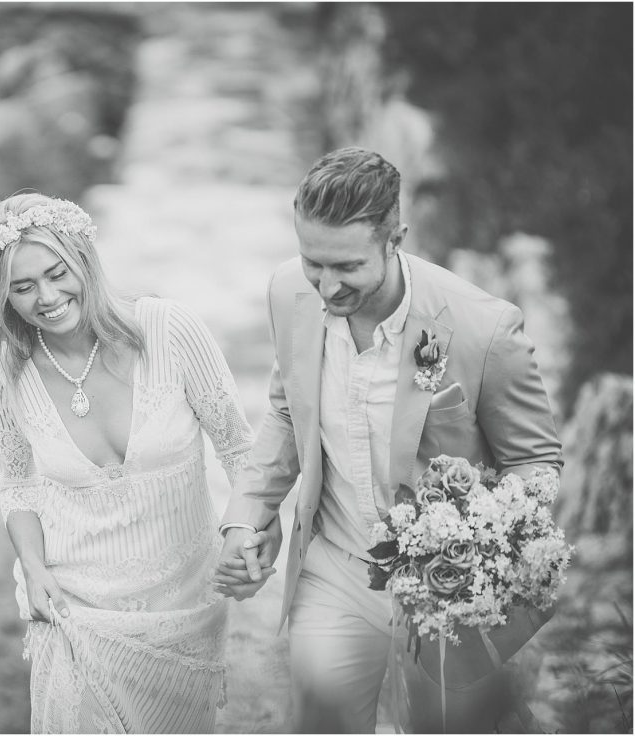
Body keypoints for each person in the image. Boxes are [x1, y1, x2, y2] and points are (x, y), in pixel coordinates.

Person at [212, 147, 563, 732]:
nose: (326, 286)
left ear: (394, 237)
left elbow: (535, 461)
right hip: (334, 566)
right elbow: (284, 413)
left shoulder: (484, 328)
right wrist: (247, 516)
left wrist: (480, 545)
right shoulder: (286, 294)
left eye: (347, 267)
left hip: (447, 595)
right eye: (312, 262)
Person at [0, 192, 255, 733]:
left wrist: (246, 530)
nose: (46, 298)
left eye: (56, 273)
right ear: (2, 297)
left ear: (83, 261)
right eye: (22, 288)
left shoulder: (168, 331)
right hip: (75, 610)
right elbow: (17, 485)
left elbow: (238, 446)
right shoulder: (6, 377)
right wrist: (33, 565)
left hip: (185, 601)